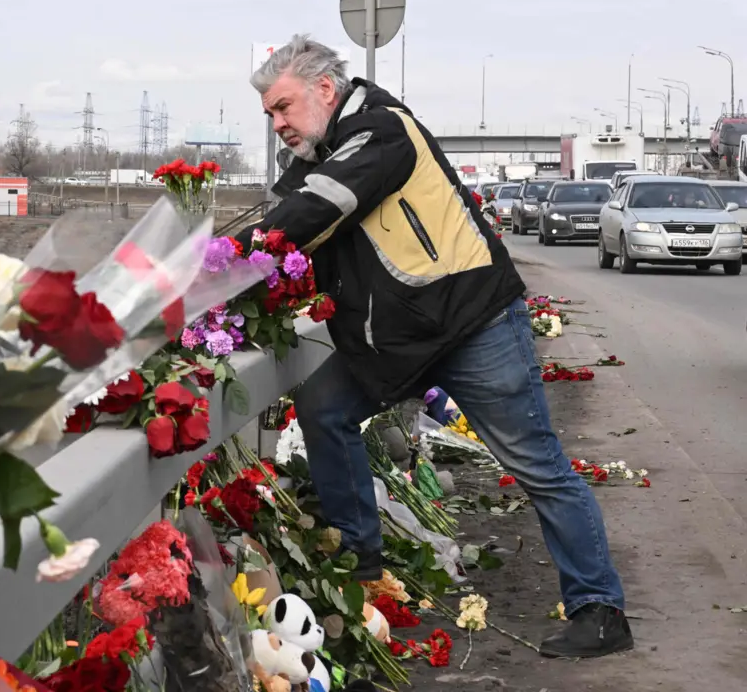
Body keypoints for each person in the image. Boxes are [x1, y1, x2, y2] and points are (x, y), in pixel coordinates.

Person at [238, 34, 632, 659]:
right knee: (322, 409)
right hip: (399, 340)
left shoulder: (381, 130)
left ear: (323, 88)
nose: (277, 123)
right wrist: (217, 263)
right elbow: (285, 212)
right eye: (269, 115)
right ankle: (360, 567)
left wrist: (240, 256)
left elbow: (319, 207)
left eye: (283, 107)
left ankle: (599, 611)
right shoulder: (326, 149)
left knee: (538, 467)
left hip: (473, 327)